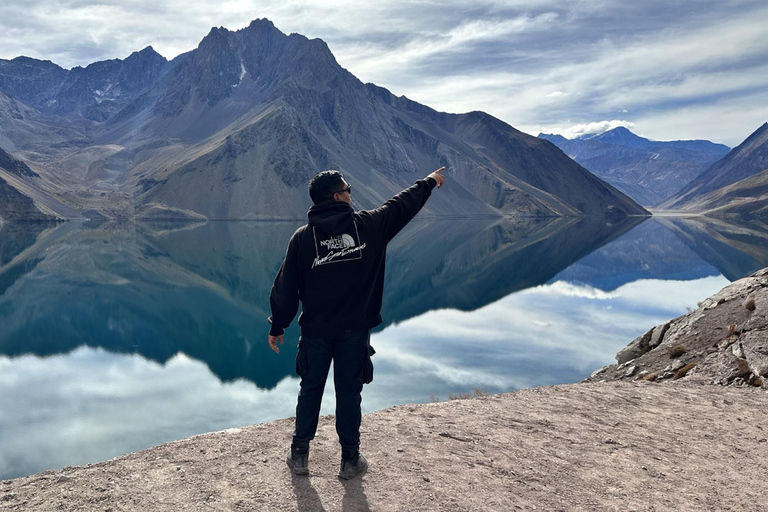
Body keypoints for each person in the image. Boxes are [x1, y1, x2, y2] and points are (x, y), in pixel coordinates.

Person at [268, 166, 446, 479]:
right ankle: (350, 460)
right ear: (337, 196)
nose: (352, 193)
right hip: (354, 332)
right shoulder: (369, 226)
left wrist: (278, 326)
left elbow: (286, 288)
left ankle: (299, 456)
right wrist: (429, 182)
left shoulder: (303, 238)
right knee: (349, 393)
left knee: (310, 389)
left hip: (315, 333)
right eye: (348, 189)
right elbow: (401, 205)